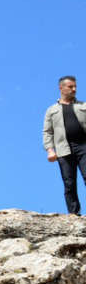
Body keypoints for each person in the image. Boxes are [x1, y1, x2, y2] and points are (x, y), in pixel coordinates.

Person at [43, 75, 86, 215]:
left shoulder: (83, 106)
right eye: (70, 87)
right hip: (63, 150)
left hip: (83, 147)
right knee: (69, 183)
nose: (74, 89)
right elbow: (47, 132)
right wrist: (50, 150)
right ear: (61, 88)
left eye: (75, 87)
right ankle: (74, 214)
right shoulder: (51, 110)